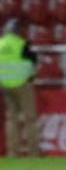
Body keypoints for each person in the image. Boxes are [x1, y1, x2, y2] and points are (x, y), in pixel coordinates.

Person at [0, 19, 39, 157]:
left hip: (5, 85)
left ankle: (13, 152)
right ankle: (33, 152)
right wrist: (31, 77)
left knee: (11, 119)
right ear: (17, 31)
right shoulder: (22, 44)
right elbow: (34, 62)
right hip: (22, 84)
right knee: (30, 118)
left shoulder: (0, 44)